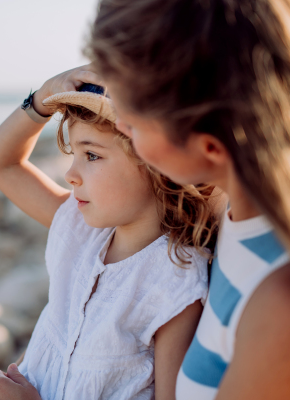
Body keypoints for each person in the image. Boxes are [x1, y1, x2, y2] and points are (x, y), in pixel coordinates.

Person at [84, 0, 290, 399]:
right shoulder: (230, 204)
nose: (120, 124)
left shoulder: (279, 309)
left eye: (134, 123)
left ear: (209, 147)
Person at [0, 70, 221, 399]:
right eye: (74, 155)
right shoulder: (79, 228)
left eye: (92, 155)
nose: (70, 174)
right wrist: (42, 99)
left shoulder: (173, 283)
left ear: (157, 165)